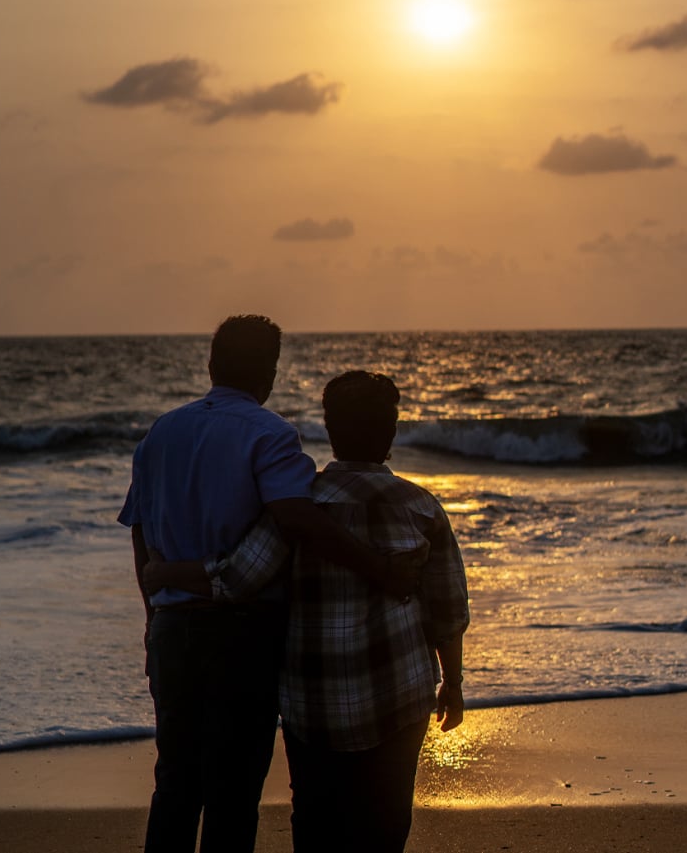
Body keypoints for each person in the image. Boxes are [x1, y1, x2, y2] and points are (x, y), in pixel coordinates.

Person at [120, 317, 412, 853]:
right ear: (271, 373)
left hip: (172, 630)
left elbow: (141, 533)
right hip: (241, 634)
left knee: (176, 786)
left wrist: (151, 617)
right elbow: (296, 518)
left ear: (211, 365)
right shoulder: (268, 432)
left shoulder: (161, 432)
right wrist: (378, 568)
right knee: (232, 794)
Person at [147, 369, 469, 853]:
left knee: (317, 822)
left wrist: (166, 573)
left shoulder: (299, 507)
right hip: (399, 695)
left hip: (312, 701)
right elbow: (447, 610)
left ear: (329, 429)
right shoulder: (421, 507)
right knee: (386, 822)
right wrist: (454, 684)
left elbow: (238, 577)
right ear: (392, 432)